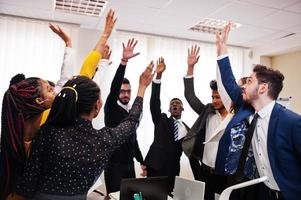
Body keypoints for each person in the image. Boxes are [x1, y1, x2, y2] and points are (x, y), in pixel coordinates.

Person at [0, 10, 117, 200]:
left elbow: (83, 75)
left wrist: (101, 38)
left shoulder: (47, 116)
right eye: (49, 89)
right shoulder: (23, 137)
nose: (57, 90)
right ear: (39, 101)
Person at [15, 63, 154, 200]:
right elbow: (132, 121)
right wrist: (142, 88)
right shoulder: (102, 141)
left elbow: (27, 183)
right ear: (97, 107)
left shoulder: (46, 132)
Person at [216, 23, 301, 200]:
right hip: (262, 193)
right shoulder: (248, 109)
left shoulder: (291, 122)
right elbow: (229, 82)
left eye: (249, 81)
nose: (244, 86)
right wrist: (222, 49)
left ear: (262, 88)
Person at [182, 45, 229, 200]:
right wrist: (190, 67)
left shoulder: (235, 118)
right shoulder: (207, 112)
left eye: (218, 97)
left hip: (226, 175)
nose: (214, 101)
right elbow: (190, 96)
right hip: (205, 172)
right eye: (213, 97)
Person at [103, 38, 145, 194]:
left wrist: (141, 160)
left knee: (134, 198)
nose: (126, 94)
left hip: (129, 165)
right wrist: (123, 62)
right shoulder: (111, 107)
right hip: (114, 166)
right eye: (122, 91)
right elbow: (114, 87)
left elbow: (132, 138)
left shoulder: (130, 113)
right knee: (114, 197)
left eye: (128, 91)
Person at [144, 57, 189, 192]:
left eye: (178, 103)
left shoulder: (188, 129)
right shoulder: (161, 119)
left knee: (169, 195)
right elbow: (154, 103)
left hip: (173, 171)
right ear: (169, 109)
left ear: (182, 109)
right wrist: (158, 76)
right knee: (151, 196)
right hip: (156, 167)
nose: (175, 104)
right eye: (172, 104)